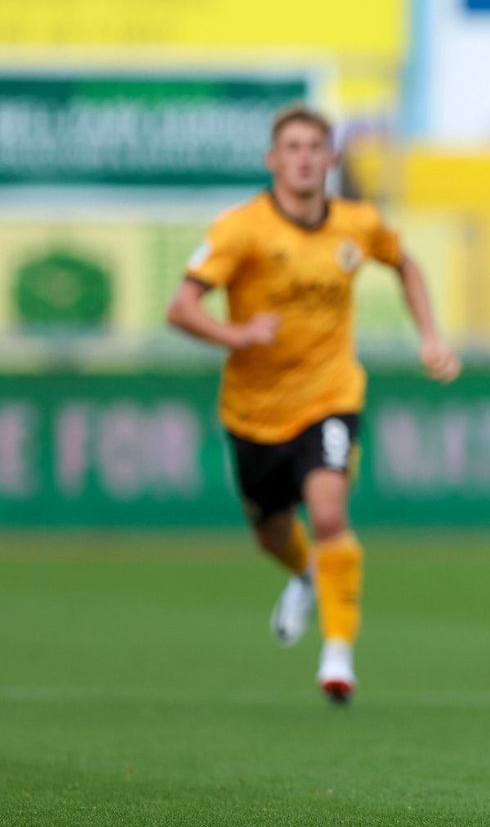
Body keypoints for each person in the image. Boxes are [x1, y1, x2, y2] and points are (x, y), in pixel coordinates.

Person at [166, 104, 460, 704]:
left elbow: (405, 264)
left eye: (314, 147)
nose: (304, 158)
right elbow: (181, 307)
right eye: (292, 148)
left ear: (331, 158)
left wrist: (430, 336)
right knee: (272, 531)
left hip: (330, 395)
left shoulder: (357, 223)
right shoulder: (241, 229)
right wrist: (237, 335)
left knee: (328, 514)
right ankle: (304, 575)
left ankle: (338, 653)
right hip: (252, 410)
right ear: (273, 160)